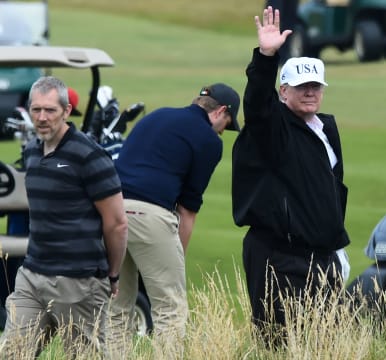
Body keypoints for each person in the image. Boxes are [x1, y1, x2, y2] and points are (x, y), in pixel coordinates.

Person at [232, 6, 350, 345]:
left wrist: (336, 242)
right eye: (301, 87)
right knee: (279, 343)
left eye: (315, 86)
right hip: (279, 255)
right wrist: (267, 57)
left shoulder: (325, 127)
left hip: (322, 255)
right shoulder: (272, 127)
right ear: (283, 92)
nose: (310, 92)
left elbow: (331, 188)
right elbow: (256, 105)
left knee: (327, 342)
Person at [0, 76, 128, 357]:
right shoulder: (32, 150)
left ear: (67, 111)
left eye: (50, 110)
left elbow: (117, 223)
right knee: (13, 352)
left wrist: (113, 274)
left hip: (79, 282)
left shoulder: (89, 155)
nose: (42, 117)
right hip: (32, 276)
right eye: (36, 110)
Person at [108, 83, 241, 352]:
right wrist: (176, 256)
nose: (223, 131)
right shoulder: (208, 140)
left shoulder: (155, 116)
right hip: (152, 216)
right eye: (227, 124)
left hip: (112, 213)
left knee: (117, 307)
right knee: (170, 308)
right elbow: (187, 209)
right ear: (221, 112)